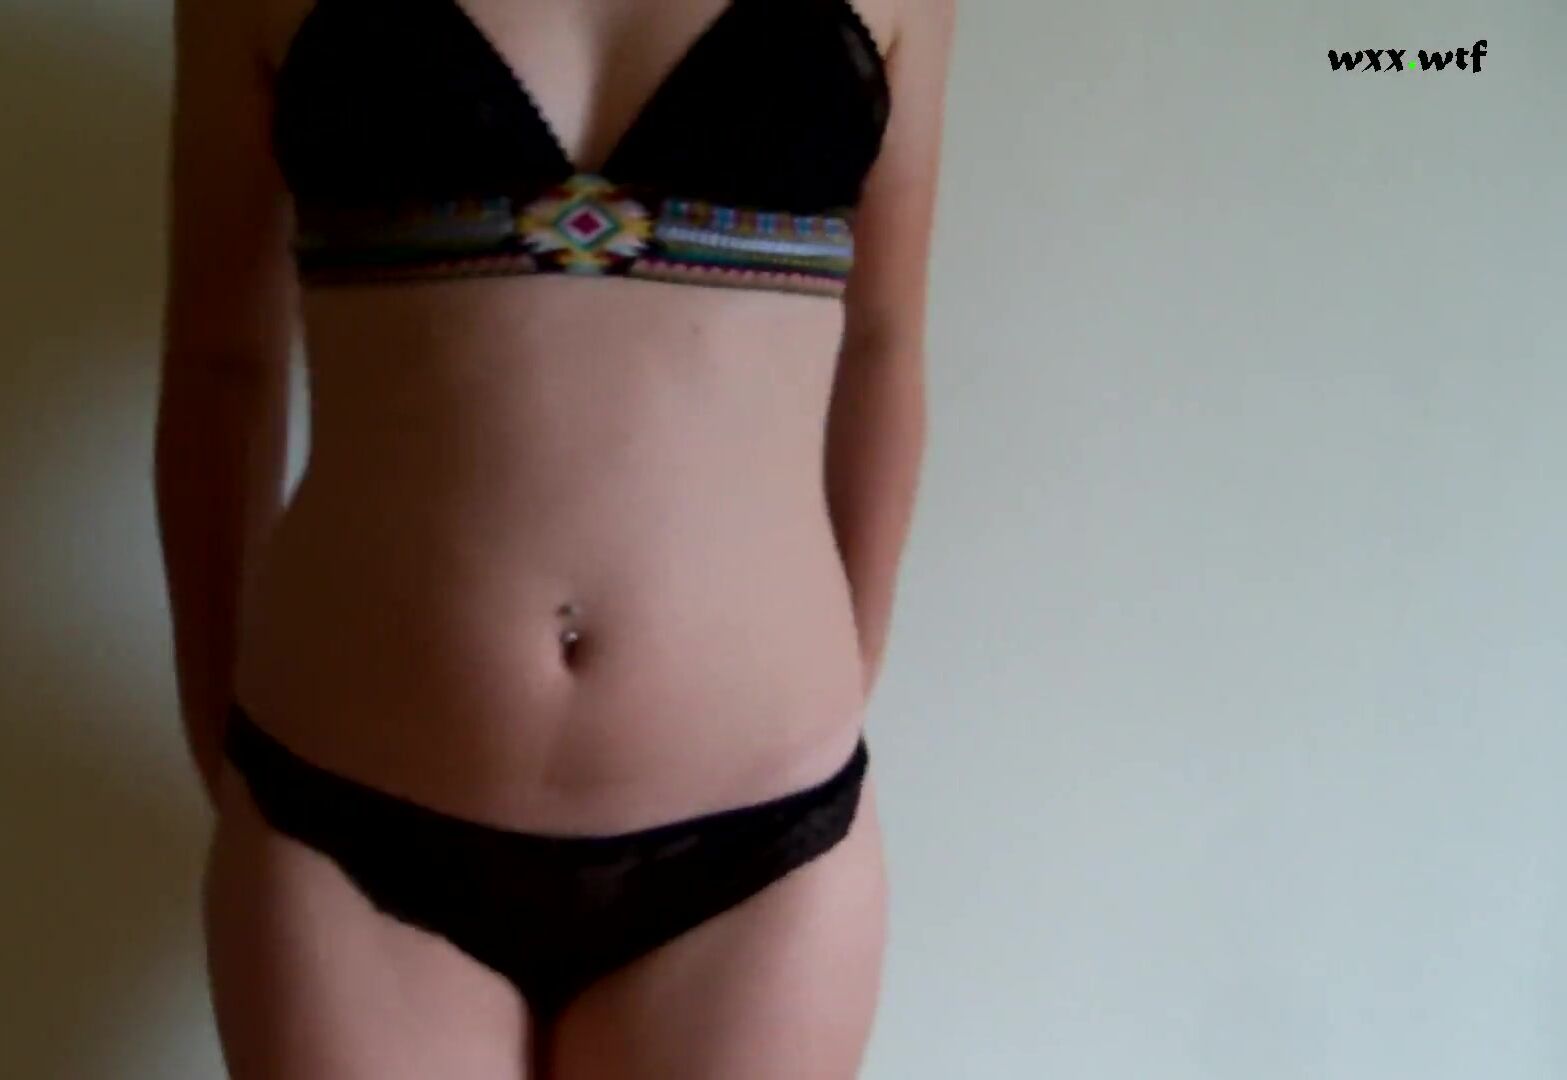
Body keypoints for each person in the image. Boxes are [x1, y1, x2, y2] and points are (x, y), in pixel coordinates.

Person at [154, 0, 953, 1074]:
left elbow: (885, 344)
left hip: (759, 844)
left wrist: (826, 690)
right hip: (340, 814)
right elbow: (219, 362)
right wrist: (220, 728)